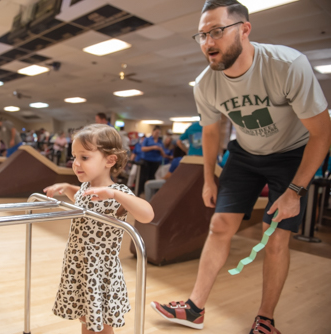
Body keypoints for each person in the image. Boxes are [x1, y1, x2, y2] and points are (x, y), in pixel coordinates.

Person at [151, 1, 331, 333]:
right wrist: (208, 178)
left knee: (274, 236)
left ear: (244, 30)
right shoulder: (206, 84)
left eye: (217, 31)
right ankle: (194, 309)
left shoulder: (287, 65)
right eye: (202, 35)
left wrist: (295, 191)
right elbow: (211, 131)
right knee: (219, 226)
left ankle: (265, 320)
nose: (208, 42)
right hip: (245, 155)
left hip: (292, 155)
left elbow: (322, 134)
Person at [44, 124, 154, 334]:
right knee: (87, 320)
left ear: (110, 160)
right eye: (75, 157)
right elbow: (83, 198)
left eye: (84, 157)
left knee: (101, 326)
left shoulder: (117, 192)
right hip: (79, 266)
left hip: (99, 272)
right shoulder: (86, 187)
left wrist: (116, 195)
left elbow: (147, 214)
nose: (76, 163)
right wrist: (68, 188)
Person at [138, 126, 172, 196]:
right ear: (153, 132)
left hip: (155, 161)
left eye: (159, 133)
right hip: (146, 161)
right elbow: (143, 149)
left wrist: (160, 149)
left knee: (152, 177)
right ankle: (140, 192)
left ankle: (150, 193)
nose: (157, 134)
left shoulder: (160, 142)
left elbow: (163, 154)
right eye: (156, 132)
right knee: (144, 177)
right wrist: (153, 147)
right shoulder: (147, 139)